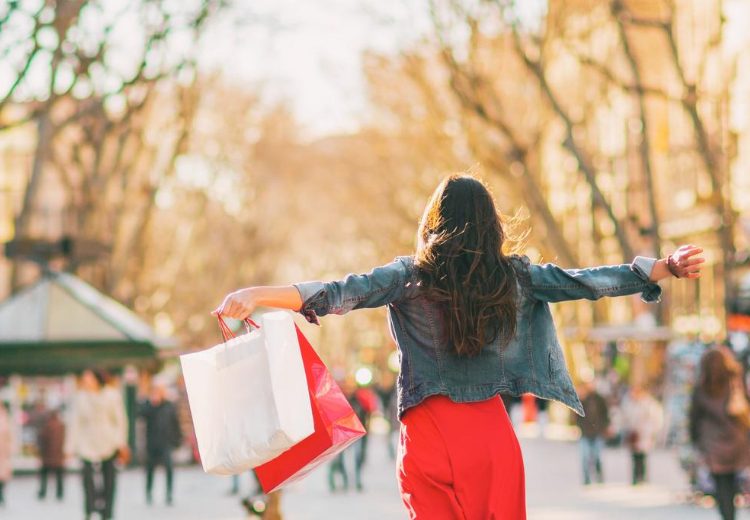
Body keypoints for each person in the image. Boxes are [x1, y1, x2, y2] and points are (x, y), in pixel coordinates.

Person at [213, 174, 704, 519]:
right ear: (491, 223)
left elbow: (337, 292)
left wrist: (257, 295)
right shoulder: (512, 277)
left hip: (428, 436)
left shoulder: (409, 277)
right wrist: (661, 266)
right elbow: (582, 282)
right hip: (491, 439)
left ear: (433, 219)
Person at [690, 346, 750, 520]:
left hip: (713, 441)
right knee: (731, 478)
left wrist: (695, 439)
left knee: (720, 480)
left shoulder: (702, 386)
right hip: (735, 437)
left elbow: (695, 416)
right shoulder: (734, 380)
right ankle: (730, 512)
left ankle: (727, 514)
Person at [65, 369, 128, 520]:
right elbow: (75, 423)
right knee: (87, 480)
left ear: (97, 379)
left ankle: (107, 512)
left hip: (109, 442)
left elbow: (120, 421)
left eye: (89, 379)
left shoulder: (112, 395)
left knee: (109, 480)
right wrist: (69, 447)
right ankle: (89, 509)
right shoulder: (80, 398)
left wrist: (121, 443)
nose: (86, 382)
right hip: (86, 443)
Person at [138, 382, 182, 506]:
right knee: (150, 470)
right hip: (152, 443)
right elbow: (140, 414)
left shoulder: (169, 406)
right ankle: (149, 493)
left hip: (166, 443)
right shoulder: (148, 406)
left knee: (169, 469)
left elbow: (175, 424)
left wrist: (177, 441)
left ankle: (169, 494)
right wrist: (148, 402)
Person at [621, 384, 663, 485]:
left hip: (645, 434)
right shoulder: (629, 403)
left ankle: (642, 477)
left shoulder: (649, 404)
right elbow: (624, 417)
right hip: (633, 433)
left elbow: (656, 419)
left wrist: (652, 431)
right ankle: (636, 477)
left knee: (642, 456)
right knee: (634, 456)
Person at [576, 380, 609, 485]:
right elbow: (576, 415)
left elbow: (605, 414)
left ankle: (599, 475)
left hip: (597, 433)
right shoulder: (582, 399)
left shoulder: (599, 399)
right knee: (585, 457)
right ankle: (586, 478)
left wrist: (604, 427)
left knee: (597, 456)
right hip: (585, 433)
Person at [37, 408, 66, 501]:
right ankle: (60, 493)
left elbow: (41, 440)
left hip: (47, 457)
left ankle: (43, 492)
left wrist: (40, 452)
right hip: (58, 457)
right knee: (59, 476)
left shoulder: (46, 426)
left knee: (44, 475)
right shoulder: (62, 426)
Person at [0, 402, 12, 507]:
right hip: (3, 453)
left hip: (3, 453)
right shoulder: (5, 419)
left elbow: (9, 436)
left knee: (2, 475)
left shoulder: (5, 419)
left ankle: (1, 495)